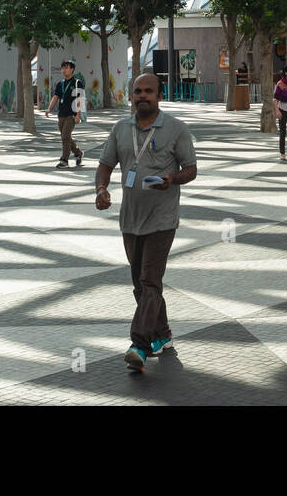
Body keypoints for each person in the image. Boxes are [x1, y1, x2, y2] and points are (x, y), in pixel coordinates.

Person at [94, 73, 197, 372]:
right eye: (137, 91)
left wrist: (172, 179)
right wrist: (101, 189)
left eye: (148, 91)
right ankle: (162, 334)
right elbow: (105, 165)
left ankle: (139, 344)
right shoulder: (120, 129)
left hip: (162, 219)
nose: (142, 96)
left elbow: (190, 169)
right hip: (130, 220)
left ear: (159, 95)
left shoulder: (176, 129)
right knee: (141, 285)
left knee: (149, 281)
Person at [46, 60, 84, 169]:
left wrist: (78, 115)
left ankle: (64, 160)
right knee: (66, 137)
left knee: (65, 136)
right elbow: (55, 97)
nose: (63, 70)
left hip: (71, 114)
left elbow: (79, 99)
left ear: (72, 69)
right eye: (62, 68)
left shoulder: (77, 83)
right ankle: (78, 153)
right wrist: (49, 108)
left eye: (66, 68)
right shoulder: (60, 84)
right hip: (61, 114)